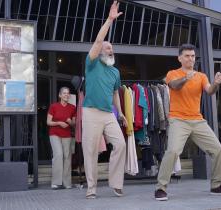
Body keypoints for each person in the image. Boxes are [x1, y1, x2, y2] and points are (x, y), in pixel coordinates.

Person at [154, 44, 221, 201]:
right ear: (180, 58)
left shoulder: (201, 76)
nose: (190, 58)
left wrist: (216, 83)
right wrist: (185, 78)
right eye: (187, 56)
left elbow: (210, 91)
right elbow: (174, 86)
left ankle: (216, 186)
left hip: (197, 120)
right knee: (173, 151)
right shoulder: (173, 73)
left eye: (192, 56)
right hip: (178, 119)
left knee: (218, 150)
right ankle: (161, 188)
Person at [82, 1, 127, 199]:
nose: (110, 49)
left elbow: (116, 93)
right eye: (107, 47)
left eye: (112, 47)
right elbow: (99, 40)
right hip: (91, 112)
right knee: (90, 151)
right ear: (100, 51)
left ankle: (116, 184)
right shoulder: (91, 64)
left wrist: (122, 113)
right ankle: (91, 189)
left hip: (109, 114)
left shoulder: (115, 71)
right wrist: (109, 20)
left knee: (121, 144)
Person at [47, 87, 76, 189]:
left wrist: (70, 122)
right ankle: (56, 182)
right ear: (60, 95)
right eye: (64, 93)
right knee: (58, 154)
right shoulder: (53, 106)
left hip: (67, 135)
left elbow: (74, 123)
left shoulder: (72, 107)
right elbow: (48, 122)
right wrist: (59, 122)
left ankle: (67, 183)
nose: (66, 95)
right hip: (54, 133)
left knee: (67, 157)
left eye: (68, 93)